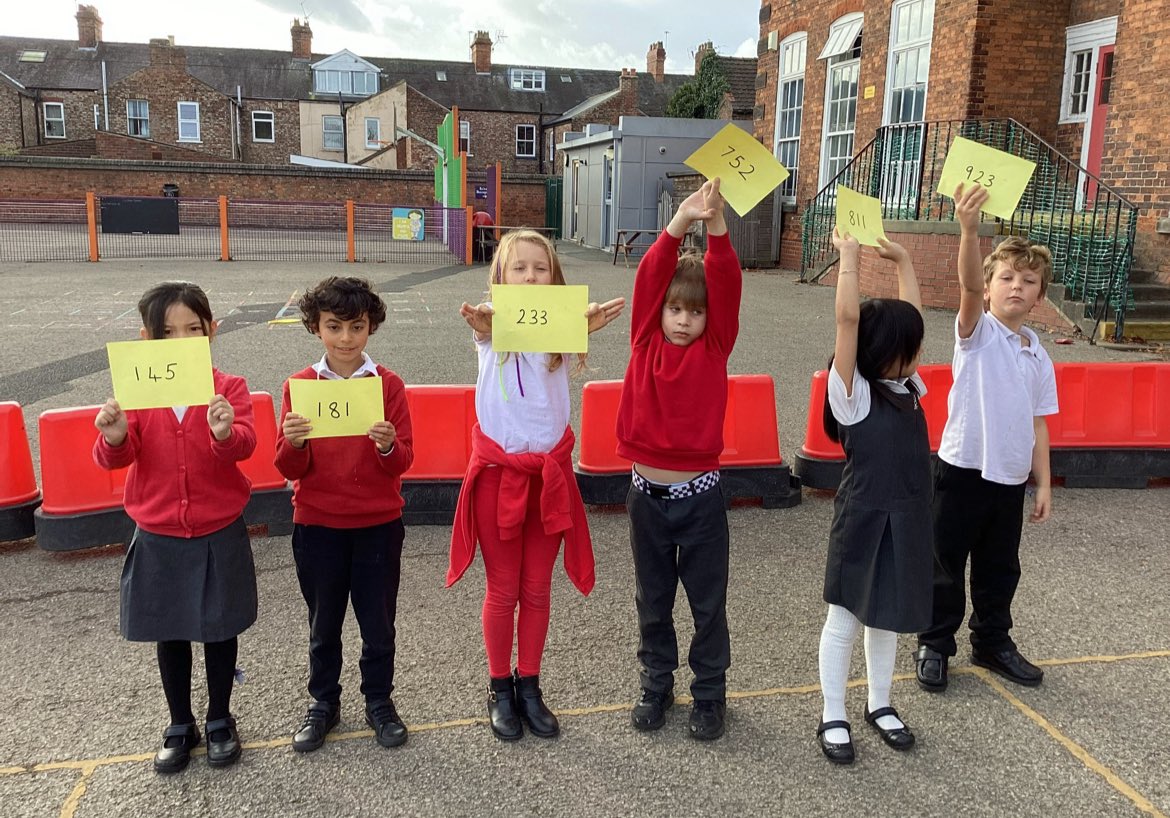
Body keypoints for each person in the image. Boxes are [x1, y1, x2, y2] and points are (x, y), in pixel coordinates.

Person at [448, 229, 625, 741]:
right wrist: (484, 325)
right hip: (498, 478)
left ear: (555, 276)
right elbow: (483, 326)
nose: (529, 275)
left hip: (549, 476)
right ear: (500, 277)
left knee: (538, 588)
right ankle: (499, 686)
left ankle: (530, 683)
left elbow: (575, 326)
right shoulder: (492, 324)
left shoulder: (564, 330)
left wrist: (584, 324)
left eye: (539, 268)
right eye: (518, 267)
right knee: (503, 588)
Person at [93, 282, 258, 774]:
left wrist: (225, 432)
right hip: (160, 531)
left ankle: (221, 717)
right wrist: (116, 436)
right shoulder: (139, 392)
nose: (182, 340)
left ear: (212, 330)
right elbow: (114, 455)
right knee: (171, 632)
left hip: (218, 527)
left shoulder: (229, 388)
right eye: (168, 333)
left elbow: (245, 445)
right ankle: (179, 721)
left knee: (220, 628)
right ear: (147, 340)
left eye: (193, 329)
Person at [916, 184, 1058, 692]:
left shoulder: (1039, 355)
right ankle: (934, 643)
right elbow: (969, 290)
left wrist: (1042, 483)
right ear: (991, 286)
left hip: (1009, 478)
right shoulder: (977, 333)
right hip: (961, 469)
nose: (1015, 286)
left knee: (1000, 569)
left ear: (1040, 296)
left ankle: (993, 641)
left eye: (1028, 280)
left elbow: (1041, 421)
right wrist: (970, 229)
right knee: (945, 565)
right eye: (1006, 278)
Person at [617, 177, 740, 741]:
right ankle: (656, 682)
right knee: (654, 598)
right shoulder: (644, 339)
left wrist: (714, 225)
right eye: (675, 309)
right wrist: (678, 223)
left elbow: (725, 282)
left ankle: (709, 694)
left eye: (695, 312)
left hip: (701, 502)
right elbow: (648, 278)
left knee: (707, 603)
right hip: (647, 499)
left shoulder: (715, 347)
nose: (684, 319)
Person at [275, 276, 415, 753]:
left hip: (377, 525)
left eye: (357, 327)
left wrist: (388, 445)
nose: (346, 338)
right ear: (316, 327)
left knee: (378, 624)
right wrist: (294, 442)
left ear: (370, 327)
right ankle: (323, 703)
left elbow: (404, 461)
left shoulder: (388, 385)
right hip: (317, 525)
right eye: (334, 327)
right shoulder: (299, 386)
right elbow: (289, 466)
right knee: (324, 623)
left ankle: (379, 700)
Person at [816, 229, 931, 765]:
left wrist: (904, 259)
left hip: (907, 519)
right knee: (845, 618)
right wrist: (850, 261)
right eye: (907, 349)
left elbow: (912, 315)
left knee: (886, 617)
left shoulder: (909, 386)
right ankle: (833, 711)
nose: (917, 356)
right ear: (880, 352)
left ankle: (880, 703)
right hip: (863, 520)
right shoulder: (853, 393)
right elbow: (846, 320)